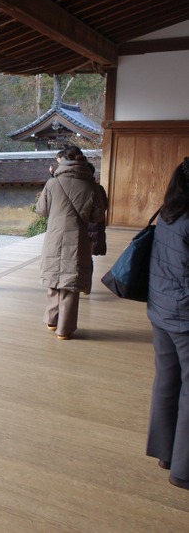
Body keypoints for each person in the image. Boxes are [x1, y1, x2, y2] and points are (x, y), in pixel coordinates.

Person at [146, 158, 189, 491]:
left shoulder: (168, 213)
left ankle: (165, 453)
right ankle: (184, 470)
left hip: (161, 308)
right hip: (184, 316)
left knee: (167, 380)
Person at [35, 145, 103, 340]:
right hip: (77, 238)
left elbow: (41, 210)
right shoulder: (91, 185)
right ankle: (64, 330)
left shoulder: (53, 183)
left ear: (63, 162)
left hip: (54, 236)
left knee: (53, 278)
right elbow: (97, 215)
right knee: (70, 283)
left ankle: (51, 320)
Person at [82, 162, 109, 295]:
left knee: (84, 259)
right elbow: (105, 207)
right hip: (94, 228)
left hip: (88, 228)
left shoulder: (85, 188)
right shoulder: (99, 188)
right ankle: (85, 286)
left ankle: (84, 286)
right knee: (87, 259)